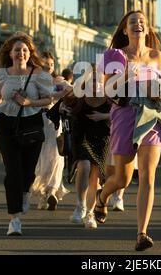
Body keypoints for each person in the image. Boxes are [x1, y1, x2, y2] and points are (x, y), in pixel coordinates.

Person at [94, 10, 161, 251]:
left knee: (148, 177)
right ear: (124, 30)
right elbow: (108, 91)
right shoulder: (114, 55)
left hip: (151, 117)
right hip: (126, 114)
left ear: (148, 29)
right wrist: (127, 73)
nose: (138, 24)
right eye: (132, 22)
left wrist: (159, 91)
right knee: (123, 178)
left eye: (142, 21)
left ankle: (142, 233)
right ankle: (101, 197)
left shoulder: (157, 56)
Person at [0, 32, 53, 236]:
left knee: (28, 172)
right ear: (10, 53)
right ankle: (14, 219)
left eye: (25, 50)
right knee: (13, 172)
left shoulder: (39, 74)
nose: (21, 53)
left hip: (32, 123)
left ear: (30, 54)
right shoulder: (2, 74)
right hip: (7, 124)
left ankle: (26, 192)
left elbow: (48, 100)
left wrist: (30, 103)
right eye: (17, 50)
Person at [66, 69, 111, 229]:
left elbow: (124, 113)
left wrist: (104, 116)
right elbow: (63, 102)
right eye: (91, 81)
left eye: (98, 80)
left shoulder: (110, 98)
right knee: (84, 165)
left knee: (95, 176)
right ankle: (80, 205)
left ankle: (90, 213)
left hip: (102, 139)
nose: (95, 84)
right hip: (81, 137)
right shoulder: (79, 97)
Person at [31, 52, 71, 210]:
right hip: (37, 122)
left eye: (51, 65)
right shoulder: (33, 81)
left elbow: (71, 89)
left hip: (55, 123)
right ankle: (43, 193)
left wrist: (65, 90)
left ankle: (52, 191)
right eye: (45, 65)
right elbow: (40, 96)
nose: (49, 68)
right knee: (41, 159)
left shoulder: (58, 80)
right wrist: (57, 95)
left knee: (56, 157)